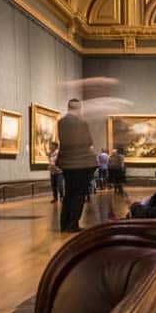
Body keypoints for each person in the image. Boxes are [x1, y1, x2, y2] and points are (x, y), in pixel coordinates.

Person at [56, 98, 95, 233]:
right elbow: (88, 141)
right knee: (79, 195)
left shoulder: (60, 122)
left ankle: (64, 224)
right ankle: (73, 224)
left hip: (66, 163)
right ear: (78, 108)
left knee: (69, 194)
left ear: (68, 107)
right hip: (80, 163)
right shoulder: (82, 123)